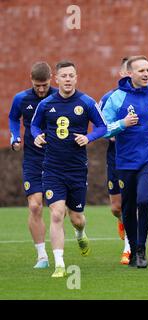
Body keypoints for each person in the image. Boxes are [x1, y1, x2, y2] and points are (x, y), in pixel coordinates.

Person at [31, 61, 107, 277]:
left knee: (77, 218)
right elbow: (34, 125)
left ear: (76, 78)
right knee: (56, 214)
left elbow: (102, 127)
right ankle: (59, 264)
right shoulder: (46, 104)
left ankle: (80, 233)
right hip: (52, 168)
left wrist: (88, 137)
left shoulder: (87, 102)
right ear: (56, 79)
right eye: (63, 76)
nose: (67, 79)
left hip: (76, 169)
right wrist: (37, 136)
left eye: (71, 75)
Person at [102, 55, 148, 269]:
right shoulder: (116, 98)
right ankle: (133, 249)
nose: (146, 74)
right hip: (125, 161)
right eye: (141, 70)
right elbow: (104, 128)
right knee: (127, 206)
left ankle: (142, 248)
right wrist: (122, 124)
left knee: (144, 200)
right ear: (130, 74)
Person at [8, 62, 57, 269]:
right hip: (33, 160)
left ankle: (79, 230)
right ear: (31, 79)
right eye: (37, 85)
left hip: (58, 160)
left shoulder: (60, 97)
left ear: (51, 79)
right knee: (35, 206)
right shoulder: (21, 98)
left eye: (44, 85)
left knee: (63, 212)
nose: (41, 89)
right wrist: (15, 137)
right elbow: (13, 118)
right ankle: (42, 256)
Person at [99, 57, 131, 265]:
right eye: (128, 72)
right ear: (122, 73)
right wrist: (113, 131)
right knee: (116, 208)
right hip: (115, 155)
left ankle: (129, 247)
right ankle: (122, 222)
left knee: (133, 202)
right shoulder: (110, 98)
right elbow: (101, 127)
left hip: (136, 157)